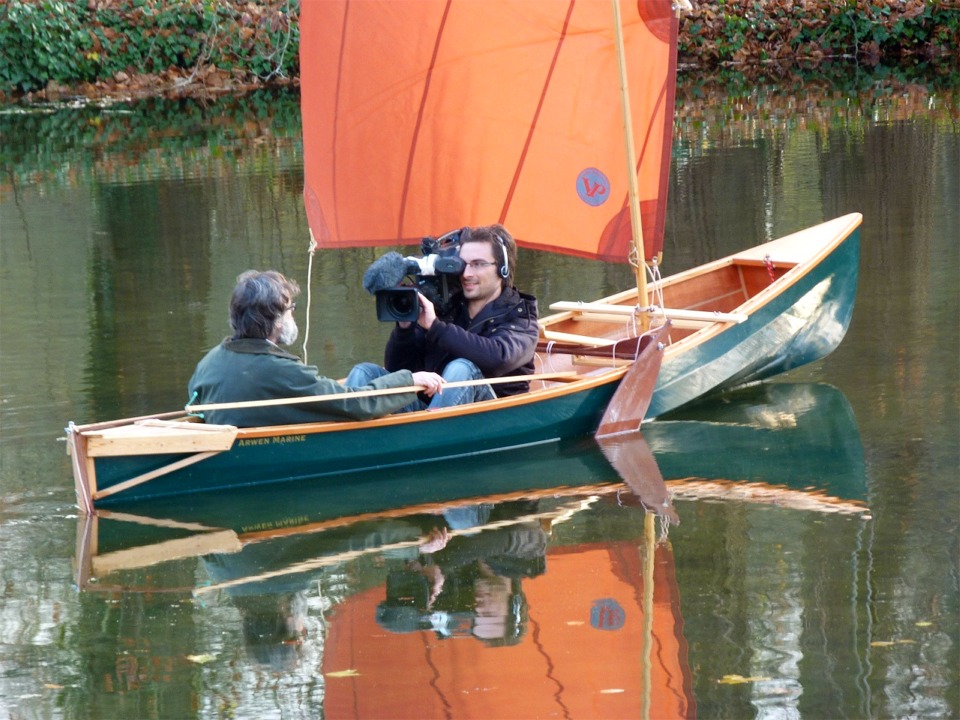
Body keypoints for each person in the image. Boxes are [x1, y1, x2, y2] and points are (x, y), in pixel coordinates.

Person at [188, 270, 444, 427]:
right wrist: (409, 380)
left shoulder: (209, 361)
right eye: (291, 309)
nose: (293, 315)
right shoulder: (281, 370)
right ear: (275, 320)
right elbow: (354, 405)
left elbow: (195, 400)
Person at [346, 225, 539, 409]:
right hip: (429, 411)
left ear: (502, 269)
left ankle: (428, 435)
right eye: (463, 264)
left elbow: (498, 360)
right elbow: (398, 370)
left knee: (462, 368)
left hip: (492, 413)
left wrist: (436, 327)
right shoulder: (446, 307)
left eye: (478, 264)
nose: (467, 273)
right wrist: (405, 329)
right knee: (364, 373)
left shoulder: (521, 315)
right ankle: (346, 433)